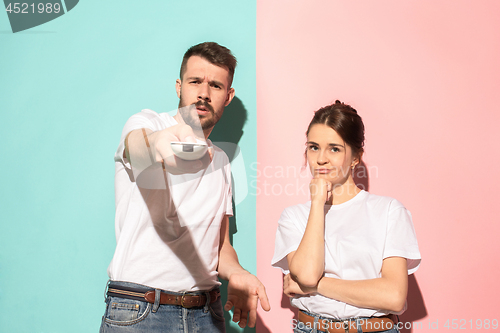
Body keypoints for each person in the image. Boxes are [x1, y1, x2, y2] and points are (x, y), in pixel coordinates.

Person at [100, 42, 270, 333]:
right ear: (179, 86)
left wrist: (238, 273)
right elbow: (137, 148)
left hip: (206, 315)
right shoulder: (147, 124)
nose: (204, 93)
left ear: (228, 96)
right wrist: (159, 144)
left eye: (215, 85)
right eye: (195, 82)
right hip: (141, 309)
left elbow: (220, 247)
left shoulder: (222, 162)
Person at [272, 101, 421, 333]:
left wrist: (317, 287)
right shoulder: (294, 217)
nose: (321, 159)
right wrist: (318, 203)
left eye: (334, 149)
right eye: (313, 147)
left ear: (355, 157)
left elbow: (394, 297)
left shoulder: (389, 211)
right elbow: (308, 275)